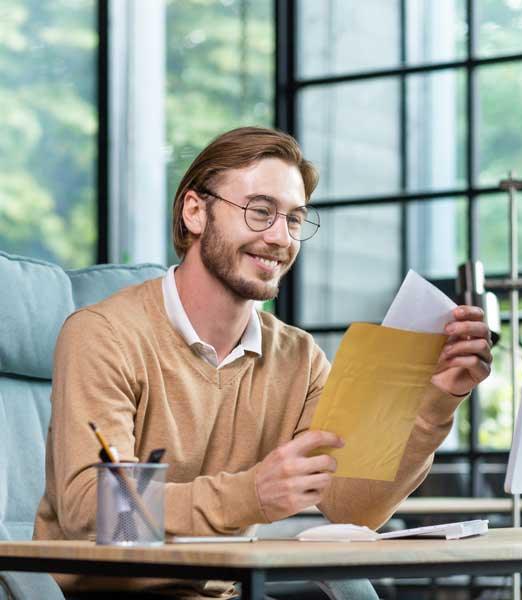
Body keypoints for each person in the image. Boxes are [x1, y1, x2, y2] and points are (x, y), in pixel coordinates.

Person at [33, 126, 493, 598]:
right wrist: (251, 494)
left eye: (294, 220)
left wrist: (437, 405)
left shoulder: (298, 357)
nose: (280, 237)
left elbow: (351, 507)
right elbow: (101, 511)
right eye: (260, 212)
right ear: (195, 211)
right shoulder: (105, 334)